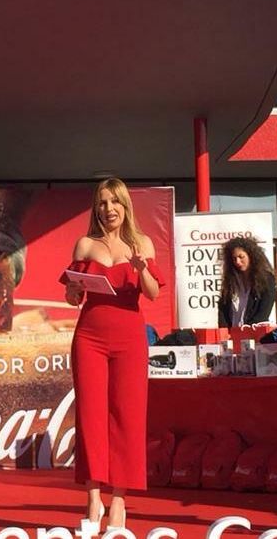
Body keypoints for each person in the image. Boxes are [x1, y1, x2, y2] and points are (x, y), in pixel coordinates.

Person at [60, 178, 162, 530]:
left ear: (125, 206)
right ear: (96, 208)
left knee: (127, 418)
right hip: (89, 337)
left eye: (114, 202)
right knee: (90, 417)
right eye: (102, 203)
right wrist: (73, 289)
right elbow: (73, 299)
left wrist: (141, 267)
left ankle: (119, 502)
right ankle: (93, 501)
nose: (109, 209)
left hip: (130, 339)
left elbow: (152, 294)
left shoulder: (142, 243)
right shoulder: (85, 244)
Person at [217, 235, 277, 328]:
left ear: (251, 256)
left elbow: (264, 311)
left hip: (255, 333)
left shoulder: (266, 279)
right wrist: (225, 331)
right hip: (232, 334)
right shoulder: (231, 281)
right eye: (234, 258)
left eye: (241, 257)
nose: (237, 261)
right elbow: (223, 308)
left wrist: (247, 330)